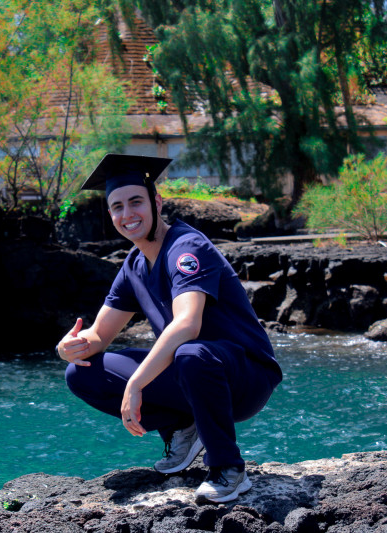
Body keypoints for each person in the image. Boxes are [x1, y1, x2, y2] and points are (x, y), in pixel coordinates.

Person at [57, 153, 282, 503]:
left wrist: (136, 383)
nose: (127, 214)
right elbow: (100, 335)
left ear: (156, 202)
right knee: (81, 372)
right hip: (194, 371)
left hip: (245, 376)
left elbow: (187, 325)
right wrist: (70, 346)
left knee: (189, 353)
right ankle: (182, 426)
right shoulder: (133, 265)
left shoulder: (186, 247)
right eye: (117, 207)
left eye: (136, 202)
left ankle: (229, 469)